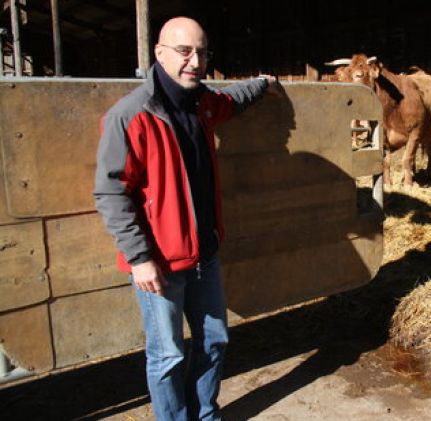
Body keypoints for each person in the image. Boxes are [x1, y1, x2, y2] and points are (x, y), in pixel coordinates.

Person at [94, 17, 279, 421]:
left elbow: (233, 100)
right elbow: (110, 191)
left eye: (202, 52)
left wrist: (263, 83)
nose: (194, 61)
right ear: (159, 54)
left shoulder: (203, 104)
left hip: (204, 255)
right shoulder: (131, 116)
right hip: (158, 263)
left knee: (214, 341)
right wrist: (138, 257)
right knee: (168, 356)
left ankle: (204, 414)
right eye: (184, 51)